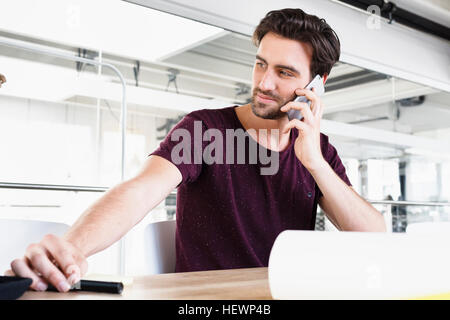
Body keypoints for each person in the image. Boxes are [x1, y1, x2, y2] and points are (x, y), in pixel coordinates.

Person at [6, 8, 386, 292]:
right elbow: (141, 190)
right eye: (260, 65)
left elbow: (372, 236)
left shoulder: (318, 151)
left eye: (284, 72)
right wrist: (69, 250)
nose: (264, 82)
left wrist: (316, 164)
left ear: (317, 84)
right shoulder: (205, 129)